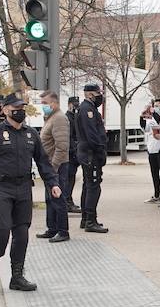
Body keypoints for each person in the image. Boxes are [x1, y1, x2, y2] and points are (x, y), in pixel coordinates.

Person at [0, 93, 61, 290]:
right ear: (5, 110)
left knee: (21, 234)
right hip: (2, 188)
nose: (20, 111)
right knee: (2, 231)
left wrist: (52, 183)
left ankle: (17, 276)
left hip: (23, 188)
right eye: (16, 108)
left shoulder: (31, 134)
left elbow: (43, 162)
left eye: (22, 108)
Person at [76, 83, 109, 232]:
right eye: (97, 94)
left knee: (88, 185)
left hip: (88, 153)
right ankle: (90, 221)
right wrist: (100, 151)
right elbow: (92, 135)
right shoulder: (87, 109)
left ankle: (86, 218)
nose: (99, 96)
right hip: (91, 154)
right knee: (93, 186)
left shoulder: (88, 108)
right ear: (90, 94)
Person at [40, 91, 72, 243]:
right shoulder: (50, 118)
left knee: (58, 199)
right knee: (49, 199)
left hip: (57, 166)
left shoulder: (59, 118)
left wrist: (53, 168)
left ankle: (63, 231)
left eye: (45, 103)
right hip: (49, 166)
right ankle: (52, 228)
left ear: (54, 103)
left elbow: (62, 146)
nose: (43, 106)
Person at [143, 102, 160, 203]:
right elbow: (144, 127)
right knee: (154, 173)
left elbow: (158, 125)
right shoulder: (150, 120)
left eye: (157, 106)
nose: (154, 108)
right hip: (151, 150)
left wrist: (154, 113)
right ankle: (156, 194)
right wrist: (142, 115)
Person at [63, 95, 82, 213]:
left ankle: (68, 200)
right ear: (69, 104)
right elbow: (69, 136)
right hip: (70, 153)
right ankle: (67, 202)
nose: (75, 105)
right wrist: (74, 150)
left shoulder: (75, 117)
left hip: (74, 151)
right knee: (69, 178)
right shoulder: (68, 118)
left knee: (71, 178)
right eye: (74, 103)